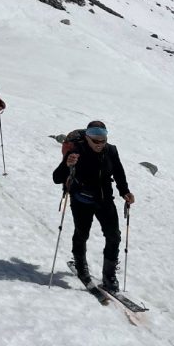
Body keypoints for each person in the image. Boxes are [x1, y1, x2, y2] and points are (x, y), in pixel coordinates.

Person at [52, 121, 135, 292]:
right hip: (81, 200)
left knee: (114, 236)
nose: (99, 144)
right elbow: (57, 177)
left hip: (105, 200)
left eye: (102, 140)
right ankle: (81, 266)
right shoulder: (77, 151)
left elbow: (118, 171)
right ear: (87, 138)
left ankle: (109, 275)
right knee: (82, 233)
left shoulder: (111, 150)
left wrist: (125, 191)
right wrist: (67, 164)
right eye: (95, 141)